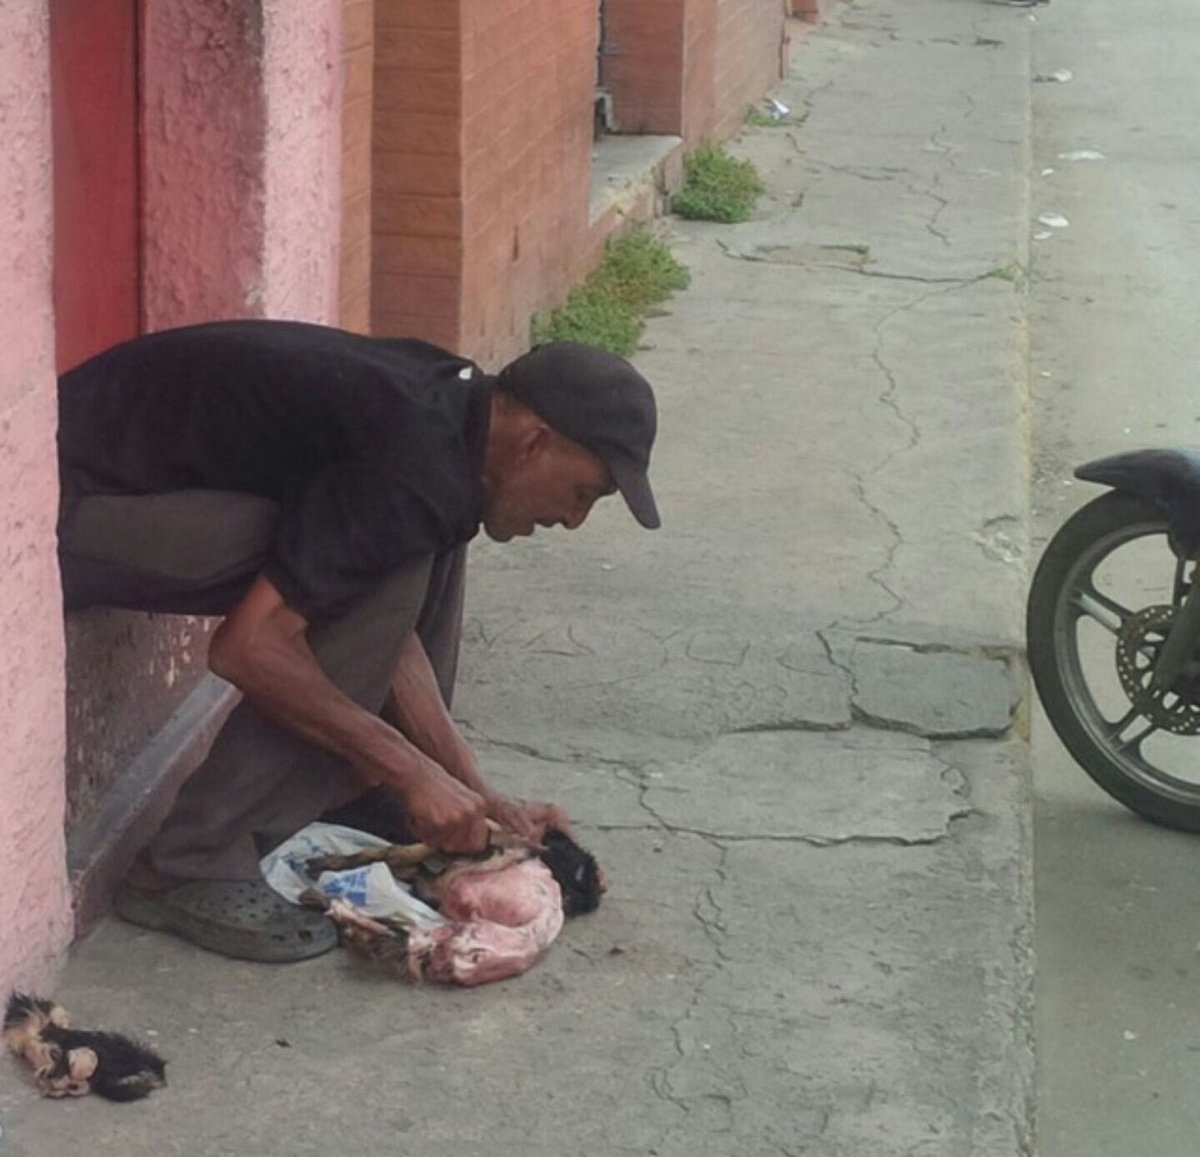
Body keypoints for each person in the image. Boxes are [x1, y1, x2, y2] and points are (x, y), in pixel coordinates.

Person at [57, 320, 660, 962]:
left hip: (135, 496)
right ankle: (187, 863)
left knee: (412, 544)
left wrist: (473, 790)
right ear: (534, 442)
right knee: (384, 561)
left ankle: (353, 790)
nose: (572, 519)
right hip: (54, 510)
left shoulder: (453, 423)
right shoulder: (413, 455)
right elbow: (248, 646)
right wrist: (413, 769)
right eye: (583, 493)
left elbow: (378, 609)